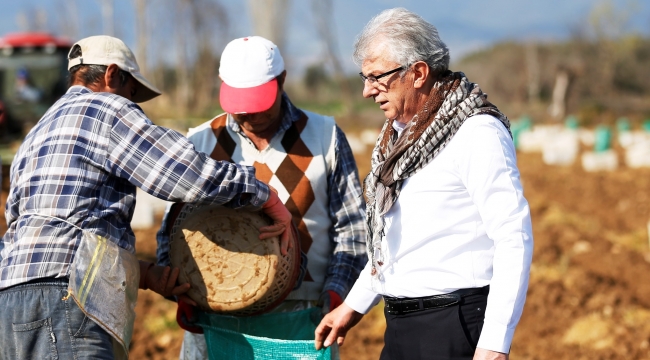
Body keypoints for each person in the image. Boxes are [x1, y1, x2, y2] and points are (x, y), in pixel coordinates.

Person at [0, 35, 294, 360]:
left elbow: (48, 232)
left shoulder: (37, 134)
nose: (132, 103)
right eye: (132, 93)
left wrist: (144, 274)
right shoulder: (106, 107)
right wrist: (262, 195)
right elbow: (180, 173)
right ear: (112, 74)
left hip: (11, 302)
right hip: (69, 298)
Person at [315, 8, 534, 360]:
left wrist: (494, 344)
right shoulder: (397, 140)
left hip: (453, 325)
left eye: (377, 77)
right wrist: (352, 307)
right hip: (401, 325)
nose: (367, 91)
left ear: (417, 73)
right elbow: (393, 244)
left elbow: (513, 235)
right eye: (364, 77)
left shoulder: (475, 133)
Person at [155, 35, 367, 359]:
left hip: (302, 318)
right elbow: (171, 230)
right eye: (240, 107)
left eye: (258, 104)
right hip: (216, 315)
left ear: (281, 81)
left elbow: (353, 229)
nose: (249, 116)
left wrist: (337, 293)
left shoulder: (324, 136)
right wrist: (181, 287)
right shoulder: (200, 141)